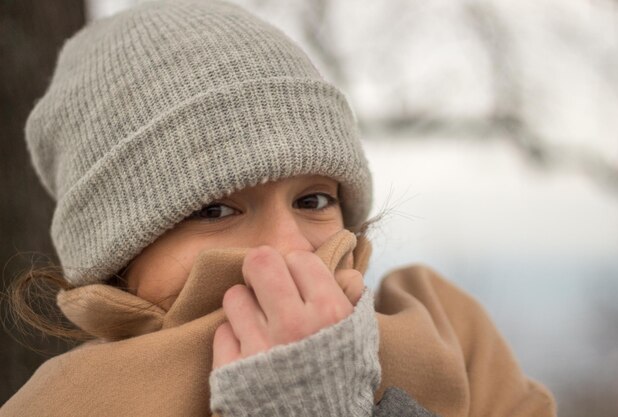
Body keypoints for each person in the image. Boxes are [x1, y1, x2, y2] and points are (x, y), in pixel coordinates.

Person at [2, 1, 556, 416]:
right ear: (116, 261)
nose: (292, 249)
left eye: (313, 200)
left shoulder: (453, 340)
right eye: (215, 209)